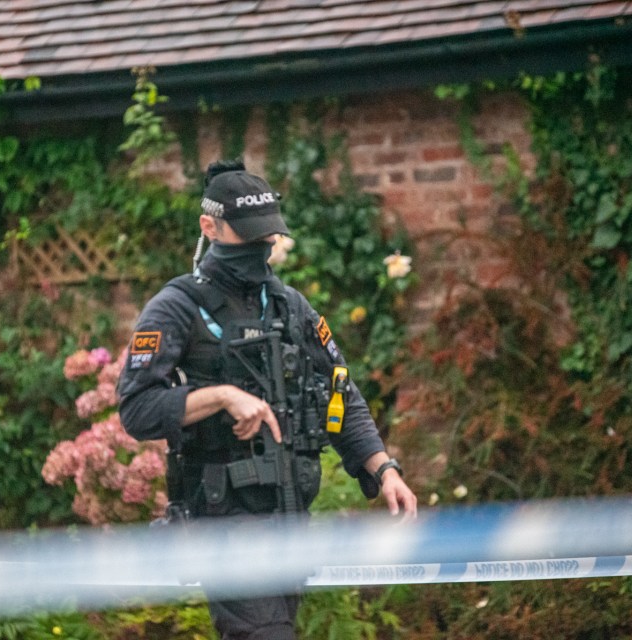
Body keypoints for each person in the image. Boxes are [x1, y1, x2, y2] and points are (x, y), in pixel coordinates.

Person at [118, 159, 417, 640]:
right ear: (208, 226)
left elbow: (339, 390)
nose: (262, 247)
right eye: (249, 235)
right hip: (225, 524)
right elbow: (135, 409)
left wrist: (383, 468)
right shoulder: (176, 308)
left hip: (288, 516)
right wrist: (219, 396)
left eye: (267, 236)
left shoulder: (289, 305)